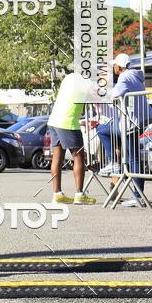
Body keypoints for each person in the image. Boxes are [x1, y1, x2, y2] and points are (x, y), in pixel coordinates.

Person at [96, 53, 150, 207]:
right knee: (134, 157)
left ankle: (114, 162)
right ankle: (138, 194)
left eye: (114, 65)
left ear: (119, 67)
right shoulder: (135, 76)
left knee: (101, 129)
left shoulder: (124, 77)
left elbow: (115, 95)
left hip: (129, 122)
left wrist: (101, 93)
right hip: (137, 121)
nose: (113, 68)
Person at [47, 65, 96, 205]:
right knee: (79, 156)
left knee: (57, 158)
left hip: (54, 120)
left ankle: (57, 194)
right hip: (68, 122)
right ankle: (80, 194)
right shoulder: (86, 82)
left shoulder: (69, 78)